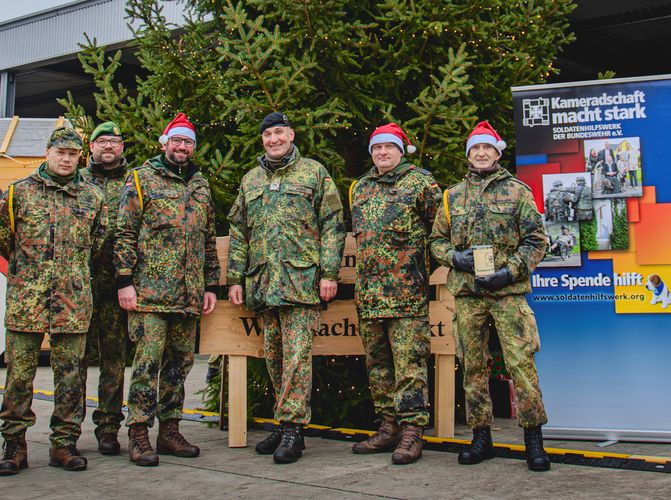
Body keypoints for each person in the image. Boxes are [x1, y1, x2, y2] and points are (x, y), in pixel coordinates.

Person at [429, 120, 551, 472]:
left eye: (487, 148)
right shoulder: (452, 197)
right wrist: (455, 258)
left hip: (508, 295)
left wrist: (509, 272)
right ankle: (481, 436)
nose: (481, 154)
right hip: (468, 295)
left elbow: (536, 240)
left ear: (498, 153)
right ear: (469, 155)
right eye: (475, 149)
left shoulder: (517, 192)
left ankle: (533, 439)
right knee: (472, 367)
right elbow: (437, 240)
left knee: (521, 365)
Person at [227, 112, 345, 464]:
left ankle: (294, 428)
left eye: (279, 132)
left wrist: (328, 273)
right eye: (268, 134)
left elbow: (333, 224)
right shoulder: (251, 179)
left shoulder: (314, 172)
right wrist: (236, 278)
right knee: (275, 358)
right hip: (264, 283)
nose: (274, 139)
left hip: (301, 282)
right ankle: (283, 420)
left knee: (296, 359)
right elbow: (239, 232)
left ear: (291, 134)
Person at [0, 126, 107, 475]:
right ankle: (14, 446)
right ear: (47, 152)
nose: (66, 158)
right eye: (61, 152)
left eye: (73, 154)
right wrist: (31, 270)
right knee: (19, 376)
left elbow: (97, 244)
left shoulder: (92, 197)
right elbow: (1, 238)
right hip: (28, 300)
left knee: (71, 377)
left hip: (72, 301)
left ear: (79, 157)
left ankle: (65, 444)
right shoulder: (19, 193)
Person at [114, 113, 220, 467]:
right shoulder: (142, 179)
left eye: (188, 141)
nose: (182, 147)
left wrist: (210, 284)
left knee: (180, 364)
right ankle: (139, 432)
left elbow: (207, 237)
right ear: (165, 143)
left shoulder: (200, 184)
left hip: (188, 295)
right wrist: (124, 280)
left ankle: (170, 430)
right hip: (149, 295)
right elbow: (125, 232)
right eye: (176, 140)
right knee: (147, 364)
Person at [348, 123, 441, 464]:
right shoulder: (361, 188)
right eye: (376, 148)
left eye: (389, 147)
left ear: (401, 150)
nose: (382, 153)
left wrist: (420, 271)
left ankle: (413, 432)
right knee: (377, 366)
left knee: (409, 366)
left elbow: (438, 232)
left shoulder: (420, 182)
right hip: (369, 296)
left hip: (406, 295)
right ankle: (388, 427)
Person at [78, 121, 130, 455]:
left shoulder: (133, 181)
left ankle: (109, 428)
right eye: (102, 141)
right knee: (74, 361)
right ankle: (67, 429)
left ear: (122, 148)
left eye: (114, 141)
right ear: (91, 147)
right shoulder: (75, 180)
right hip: (78, 286)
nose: (108, 146)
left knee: (113, 361)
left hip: (117, 286)